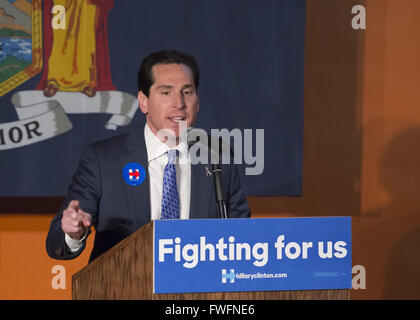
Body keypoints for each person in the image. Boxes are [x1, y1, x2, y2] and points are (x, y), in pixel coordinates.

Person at [45, 50, 251, 263]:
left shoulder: (217, 156)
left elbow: (243, 237)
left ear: (197, 101)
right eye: (166, 92)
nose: (179, 103)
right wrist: (72, 233)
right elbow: (56, 244)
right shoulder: (103, 160)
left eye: (187, 92)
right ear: (144, 101)